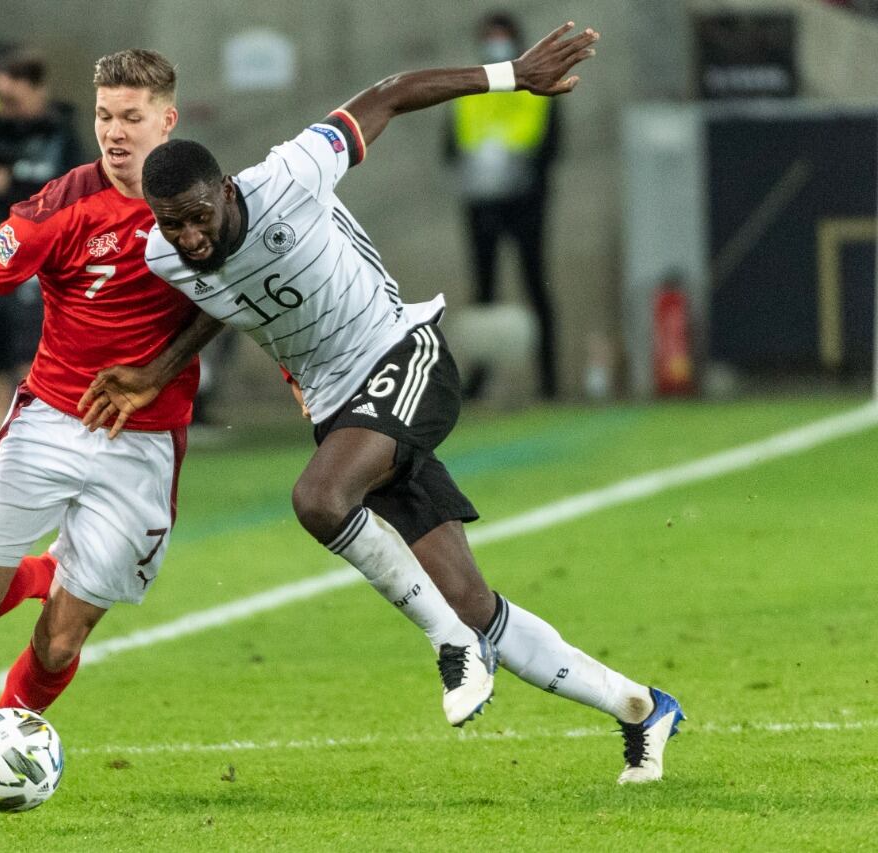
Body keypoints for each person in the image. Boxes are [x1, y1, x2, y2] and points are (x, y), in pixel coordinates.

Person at [82, 22, 683, 784]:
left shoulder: (291, 174)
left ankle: (450, 647)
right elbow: (219, 295)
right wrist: (157, 368)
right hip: (344, 410)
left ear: (226, 189)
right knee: (471, 599)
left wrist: (510, 75)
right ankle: (639, 707)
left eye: (201, 215)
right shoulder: (164, 252)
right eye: (176, 223)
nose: (192, 235)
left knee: (319, 497)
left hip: (404, 354)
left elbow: (391, 94)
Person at [0, 49, 215, 805]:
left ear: (168, 118)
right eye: (104, 116)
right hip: (48, 424)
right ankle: (39, 570)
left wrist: (299, 381)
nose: (115, 133)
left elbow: (262, 294)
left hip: (144, 447)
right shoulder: (61, 207)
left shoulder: (209, 204)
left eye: (132, 117)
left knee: (62, 639)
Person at [0, 50, 86, 450]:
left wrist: (8, 184)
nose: (7, 106)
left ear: (37, 88)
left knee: (34, 367)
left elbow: (67, 197)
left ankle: (41, 455)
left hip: (36, 273)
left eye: (15, 94)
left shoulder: (61, 134)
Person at [445, 12, 562, 400]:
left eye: (503, 36)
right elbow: (450, 148)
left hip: (527, 203)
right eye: (490, 36)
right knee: (484, 291)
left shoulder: (536, 87)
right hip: (480, 203)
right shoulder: (470, 90)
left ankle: (549, 380)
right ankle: (479, 379)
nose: (496, 43)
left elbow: (552, 146)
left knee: (535, 284)